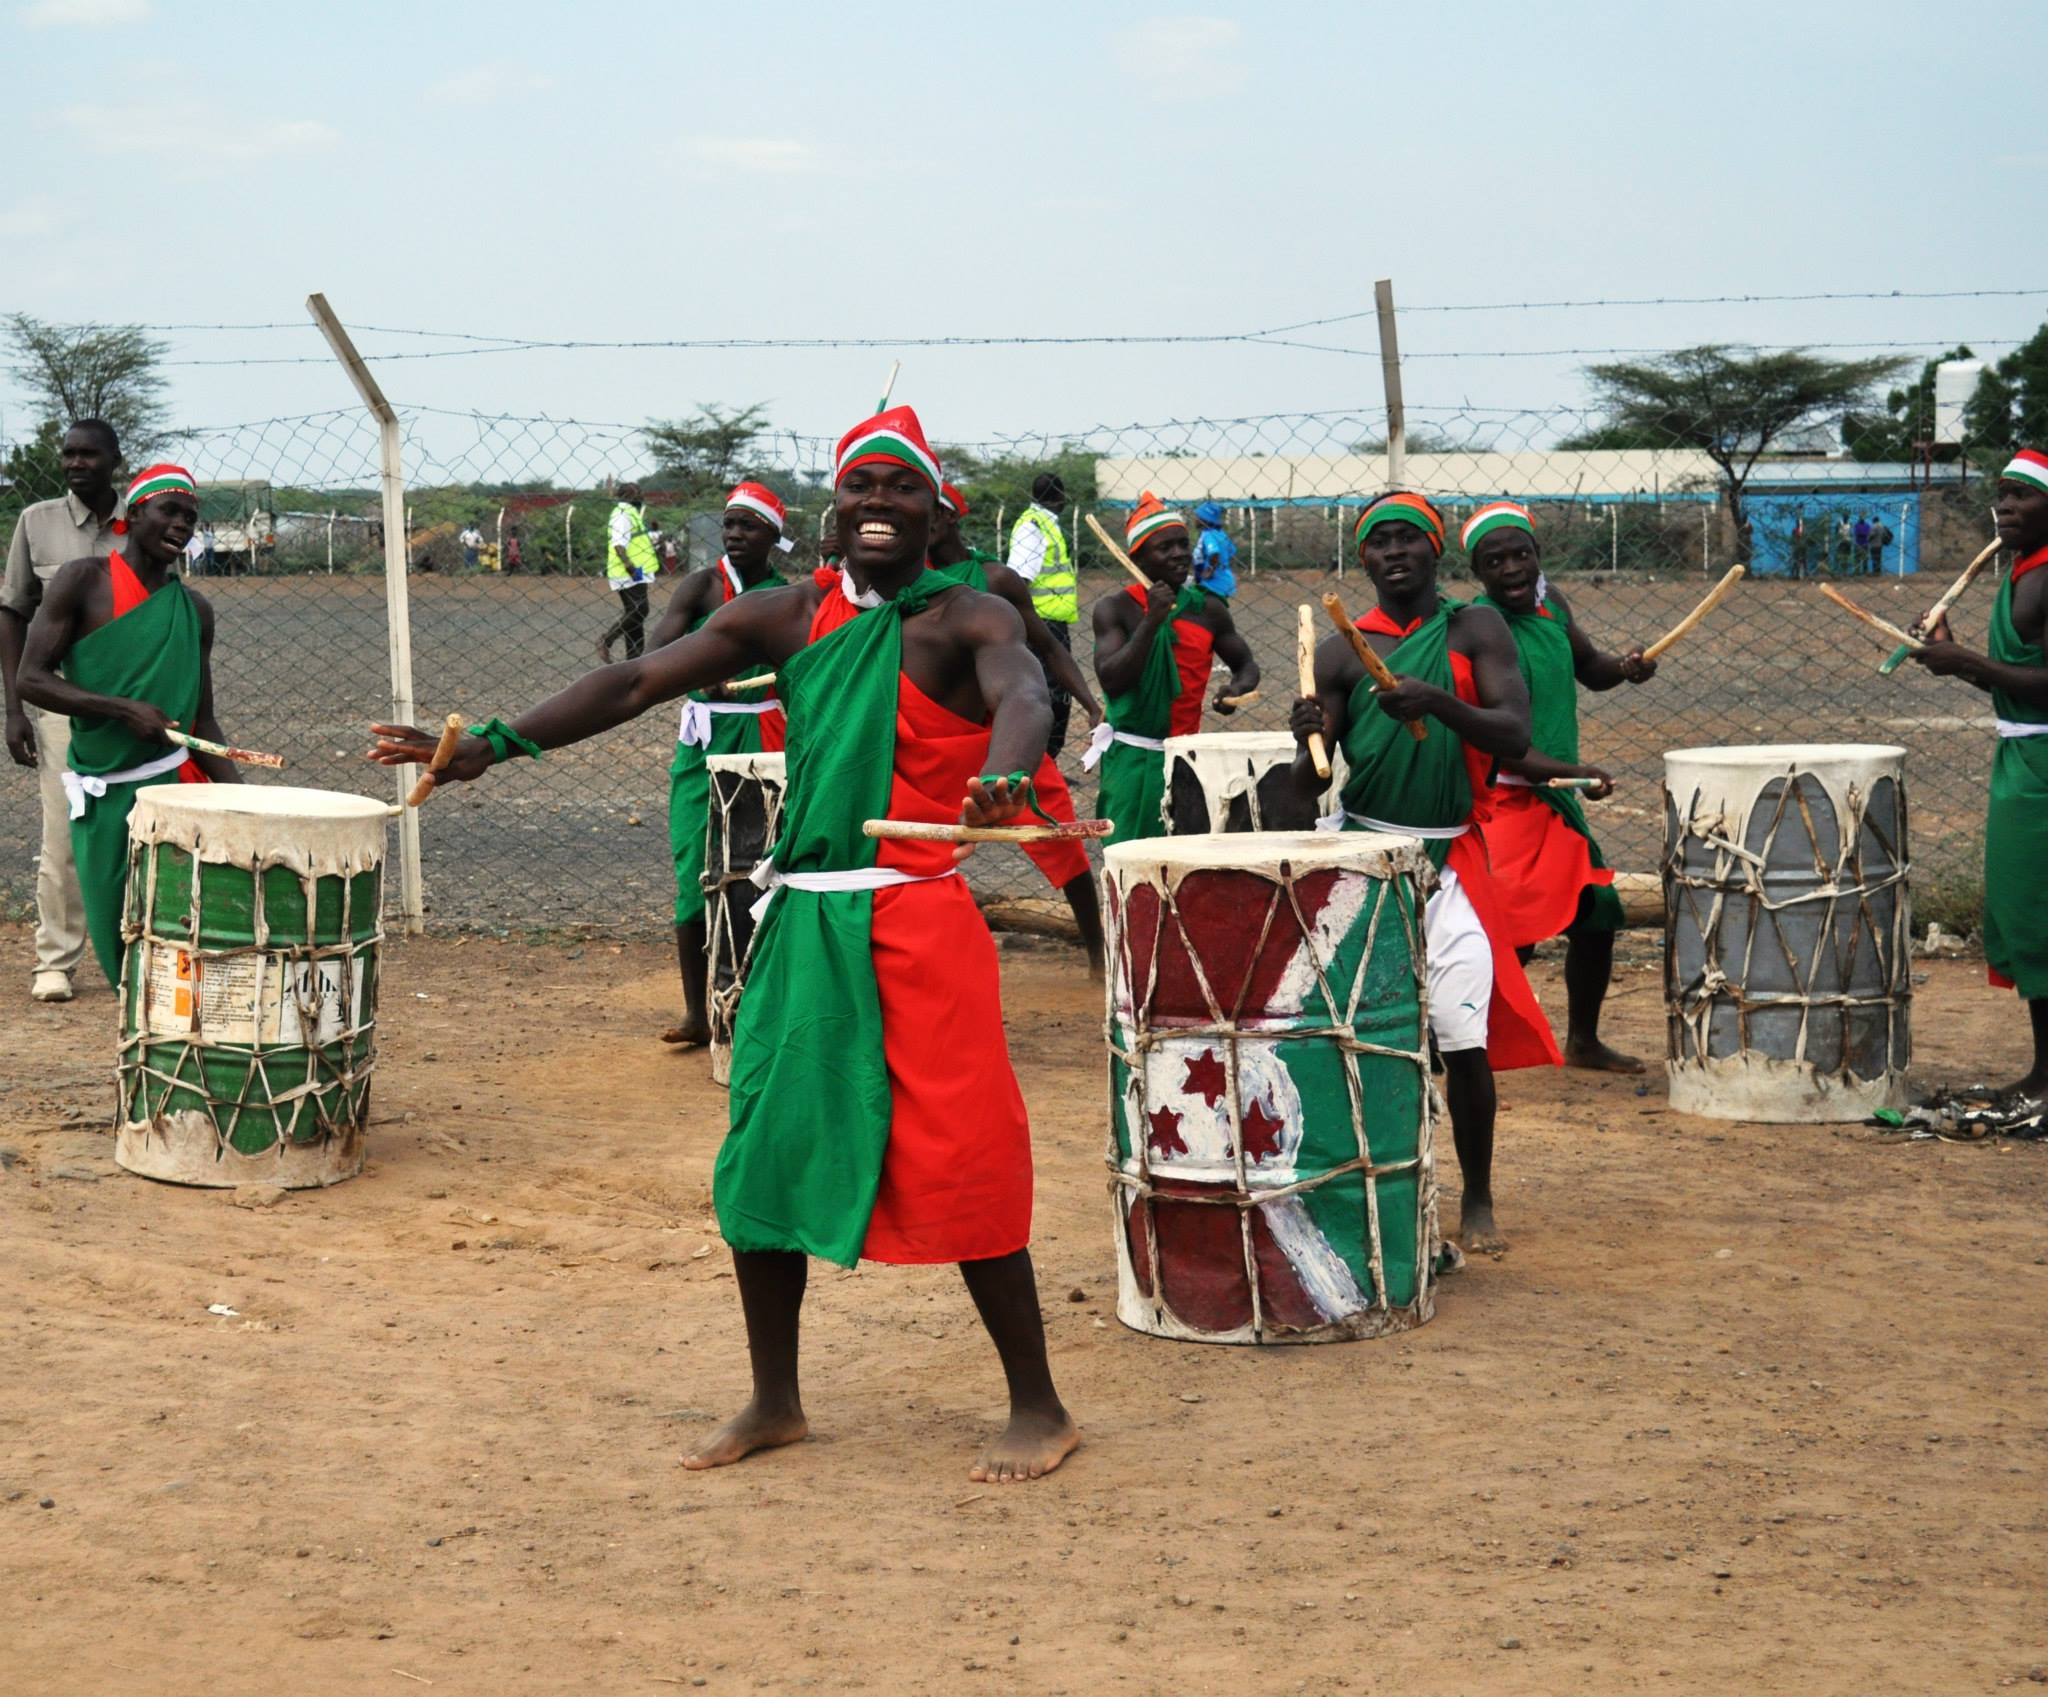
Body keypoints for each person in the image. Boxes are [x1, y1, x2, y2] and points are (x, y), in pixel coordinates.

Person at [368, 406, 1078, 1482]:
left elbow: (1021, 691)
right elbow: (639, 679)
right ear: (829, 514)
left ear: (936, 511)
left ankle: (1039, 1404)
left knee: (962, 1148)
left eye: (899, 488)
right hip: (798, 919)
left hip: (915, 918)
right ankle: (774, 1398)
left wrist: (1006, 769)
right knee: (761, 1149)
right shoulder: (789, 617)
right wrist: (497, 745)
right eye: (858, 488)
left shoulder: (969, 617)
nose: (876, 502)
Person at [1284, 490, 1560, 1254]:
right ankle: (1366, 1180)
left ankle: (1477, 1193)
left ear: (1435, 551)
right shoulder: (1340, 649)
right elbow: (1307, 786)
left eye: (1410, 539)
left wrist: (1435, 698)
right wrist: (1302, 735)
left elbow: (1512, 731)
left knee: (1460, 1035)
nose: (1395, 552)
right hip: (1366, 856)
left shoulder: (1475, 627)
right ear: (1363, 558)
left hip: (1452, 860)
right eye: (1381, 543)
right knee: (1356, 1034)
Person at [16, 466, 243, 988]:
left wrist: (243, 799)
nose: (183, 524)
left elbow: (202, 718)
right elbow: (31, 678)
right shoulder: (83, 580)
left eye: (191, 516)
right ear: (133, 514)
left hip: (175, 787)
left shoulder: (194, 609)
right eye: (170, 511)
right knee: (118, 938)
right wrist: (122, 709)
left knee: (179, 937)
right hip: (103, 788)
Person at [1462, 500, 1655, 1072]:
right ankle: (1461, 1045)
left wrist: (1626, 667)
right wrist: (1572, 773)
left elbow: (1589, 667)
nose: (1512, 568)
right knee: (1511, 930)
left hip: (1554, 797)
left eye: (1522, 554)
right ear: (1478, 573)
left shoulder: (1551, 604)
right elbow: (1501, 741)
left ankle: (1584, 1041)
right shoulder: (1480, 627)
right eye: (1495, 561)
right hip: (1507, 798)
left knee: (1596, 914)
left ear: (1538, 556)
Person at [1910, 449, 2048, 1111]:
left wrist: (1962, 657)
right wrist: (1950, 652)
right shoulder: (2019, 572)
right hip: (2021, 764)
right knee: (2026, 917)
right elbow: (2010, 680)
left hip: (2044, 767)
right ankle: (2043, 1073)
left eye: (2023, 496)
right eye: (2002, 495)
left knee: (2042, 918)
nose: (2007, 507)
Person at [931, 481, 1105, 973]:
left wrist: (1090, 702)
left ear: (949, 518)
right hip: (933, 729)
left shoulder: (996, 579)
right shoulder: (898, 583)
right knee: (918, 839)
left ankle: (1097, 952)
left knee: (1059, 836)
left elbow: (1048, 648)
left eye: (929, 511)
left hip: (1003, 728)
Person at [649, 481, 792, 1047]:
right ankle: (695, 1012)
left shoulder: (786, 595)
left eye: (749, 526)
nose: (734, 535)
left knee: (757, 869)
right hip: (703, 738)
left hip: (764, 730)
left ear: (774, 537)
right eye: (729, 524)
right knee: (694, 870)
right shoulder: (702, 586)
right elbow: (654, 653)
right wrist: (691, 668)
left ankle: (753, 1003)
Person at [1, 419, 124, 1003]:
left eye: (89, 455)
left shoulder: (143, 522)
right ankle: (56, 961)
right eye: (68, 454)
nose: (76, 464)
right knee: (64, 834)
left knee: (141, 829)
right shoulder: (37, 522)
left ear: (115, 462)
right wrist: (15, 710)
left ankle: (138, 956)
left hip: (134, 706)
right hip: (58, 706)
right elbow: (12, 613)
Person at [1086, 493, 1258, 850]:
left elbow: (1246, 665)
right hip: (1133, 760)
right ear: (1136, 557)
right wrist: (1152, 620)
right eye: (1165, 548)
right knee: (1128, 856)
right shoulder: (1114, 609)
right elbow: (1113, 680)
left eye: (1183, 544)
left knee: (1186, 858)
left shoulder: (1208, 609)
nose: (1180, 554)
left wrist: (1234, 689)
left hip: (1189, 758)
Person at [1005, 472, 1079, 758]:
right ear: (1059, 496)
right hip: (1041, 623)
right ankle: (1045, 759)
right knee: (1049, 694)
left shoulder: (1046, 523)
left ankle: (1049, 760)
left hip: (1052, 620)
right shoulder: (1034, 526)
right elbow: (1019, 579)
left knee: (1058, 692)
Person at [598, 481, 660, 661]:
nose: (642, 496)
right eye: (638, 492)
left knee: (636, 614)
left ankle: (634, 658)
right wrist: (631, 568)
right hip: (629, 571)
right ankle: (606, 640)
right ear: (629, 495)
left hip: (637, 570)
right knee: (640, 609)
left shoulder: (631, 513)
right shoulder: (623, 514)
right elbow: (618, 545)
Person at [1191, 500, 1239, 598]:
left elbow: (1214, 552)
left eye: (1197, 516)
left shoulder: (1208, 535)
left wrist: (1210, 569)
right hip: (1225, 578)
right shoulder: (1221, 533)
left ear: (1204, 519)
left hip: (1213, 582)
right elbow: (1232, 552)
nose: (1194, 519)